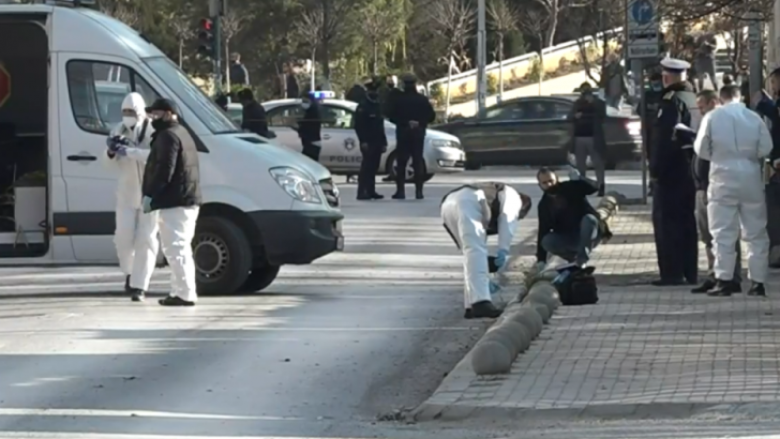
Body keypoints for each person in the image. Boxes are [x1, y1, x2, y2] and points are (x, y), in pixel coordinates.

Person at [694, 85, 772, 297]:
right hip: (750, 176)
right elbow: (766, 147)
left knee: (722, 232)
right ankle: (757, 282)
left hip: (722, 176)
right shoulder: (753, 117)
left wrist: (718, 157)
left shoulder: (712, 117)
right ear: (740, 97)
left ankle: (725, 280)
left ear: (721, 98)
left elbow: (700, 148)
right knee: (756, 232)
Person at [142, 98, 202, 307]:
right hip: (184, 198)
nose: (152, 119)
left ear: (168, 113)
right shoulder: (181, 132)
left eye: (155, 114)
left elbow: (164, 170)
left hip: (175, 200)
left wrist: (150, 194)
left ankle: (185, 293)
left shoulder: (168, 136)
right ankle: (180, 291)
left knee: (176, 249)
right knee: (179, 248)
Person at [440, 182, 532, 319]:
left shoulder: (492, 199)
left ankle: (470, 304)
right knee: (476, 251)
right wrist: (503, 250)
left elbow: (468, 249)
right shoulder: (513, 197)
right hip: (468, 200)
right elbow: (508, 219)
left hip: (448, 204)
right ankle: (481, 303)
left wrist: (482, 275)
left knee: (470, 253)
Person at [649, 58, 700, 286]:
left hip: (671, 172)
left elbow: (664, 139)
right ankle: (690, 271)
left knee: (667, 223)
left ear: (667, 76)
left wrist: (656, 170)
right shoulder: (692, 98)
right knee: (687, 222)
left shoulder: (671, 101)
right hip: (690, 169)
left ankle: (672, 272)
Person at [104, 92, 159, 302]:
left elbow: (155, 156)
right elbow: (108, 164)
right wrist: (111, 151)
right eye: (125, 112)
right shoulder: (118, 130)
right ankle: (129, 272)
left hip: (149, 194)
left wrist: (131, 151)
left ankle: (140, 285)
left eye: (132, 112)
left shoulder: (153, 131)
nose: (128, 115)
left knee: (146, 239)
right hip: (126, 194)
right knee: (123, 238)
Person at [689, 90, 743, 293]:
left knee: (724, 233)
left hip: (719, 186)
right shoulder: (708, 121)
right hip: (703, 187)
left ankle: (729, 277)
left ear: (714, 102)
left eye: (702, 106)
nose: (700, 110)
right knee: (708, 235)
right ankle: (714, 273)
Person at [535, 168, 612, 272]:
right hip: (570, 238)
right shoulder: (544, 206)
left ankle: (581, 260)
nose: (549, 185)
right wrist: (541, 260)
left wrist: (580, 179)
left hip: (590, 233)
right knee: (547, 241)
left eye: (551, 181)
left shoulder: (571, 187)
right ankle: (573, 260)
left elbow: (594, 187)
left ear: (557, 179)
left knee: (589, 219)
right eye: (544, 183)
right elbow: (543, 230)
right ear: (539, 185)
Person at [387, 73, 436, 200]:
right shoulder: (422, 99)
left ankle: (400, 191)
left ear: (404, 84)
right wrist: (419, 122)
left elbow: (391, 115)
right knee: (417, 161)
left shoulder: (399, 99)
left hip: (403, 132)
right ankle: (419, 192)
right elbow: (431, 116)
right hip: (418, 133)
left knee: (402, 162)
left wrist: (405, 122)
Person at [569, 82, 607, 196]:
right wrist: (575, 116)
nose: (585, 94)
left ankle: (601, 185)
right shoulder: (577, 103)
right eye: (583, 92)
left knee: (597, 163)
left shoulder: (598, 103)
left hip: (593, 137)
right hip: (579, 136)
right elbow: (569, 117)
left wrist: (593, 102)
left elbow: (603, 115)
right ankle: (582, 187)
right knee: (580, 165)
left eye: (587, 92)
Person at [354, 78, 386, 200]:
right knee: (366, 167)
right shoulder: (363, 106)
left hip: (377, 141)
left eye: (376, 91)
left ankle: (371, 190)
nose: (375, 93)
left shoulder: (377, 105)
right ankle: (361, 191)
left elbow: (380, 125)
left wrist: (383, 142)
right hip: (368, 141)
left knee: (374, 166)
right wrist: (363, 141)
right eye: (372, 90)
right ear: (367, 91)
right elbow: (359, 126)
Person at [295, 91, 323, 162]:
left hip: (311, 143)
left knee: (308, 163)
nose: (303, 103)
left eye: (305, 101)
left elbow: (308, 127)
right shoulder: (313, 110)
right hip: (312, 143)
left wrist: (299, 128)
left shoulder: (312, 112)